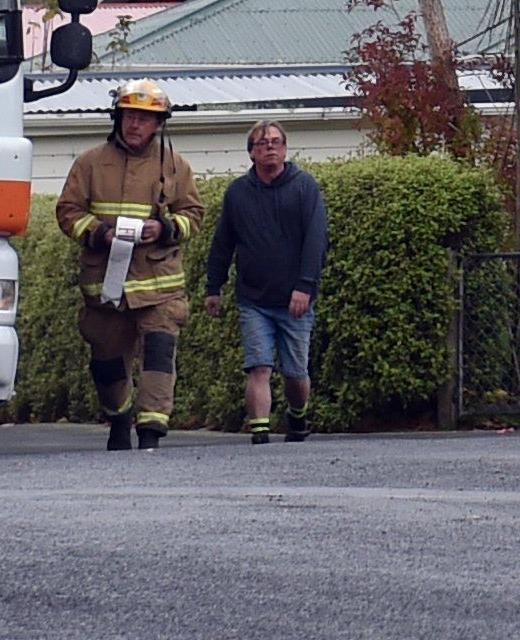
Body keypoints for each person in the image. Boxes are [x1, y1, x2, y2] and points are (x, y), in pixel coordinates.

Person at [57, 80, 206, 450]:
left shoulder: (174, 166)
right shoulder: (90, 163)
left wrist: (166, 227)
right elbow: (67, 212)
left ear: (159, 124)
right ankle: (119, 416)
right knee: (107, 366)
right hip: (106, 288)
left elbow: (194, 215)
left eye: (144, 118)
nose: (135, 125)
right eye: (129, 116)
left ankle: (151, 432)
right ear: (117, 118)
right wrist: (97, 234)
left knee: (159, 355)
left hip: (160, 287)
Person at [204, 121, 329, 442]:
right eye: (262, 144)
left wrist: (305, 287)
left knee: (295, 373)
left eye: (275, 142)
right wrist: (213, 287)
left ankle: (297, 415)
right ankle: (260, 431)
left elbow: (315, 241)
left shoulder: (304, 188)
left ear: (285, 149)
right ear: (251, 153)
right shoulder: (237, 193)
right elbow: (223, 243)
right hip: (253, 299)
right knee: (259, 366)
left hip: (295, 300)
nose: (269, 148)